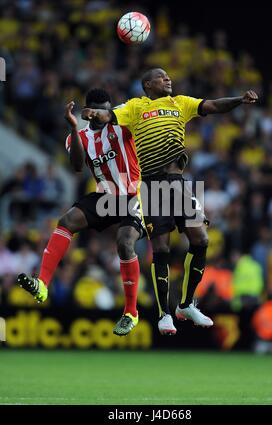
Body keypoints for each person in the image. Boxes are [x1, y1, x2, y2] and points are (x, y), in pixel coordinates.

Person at [81, 68, 259, 335]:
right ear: (147, 85)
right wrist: (95, 114)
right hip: (151, 184)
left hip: (179, 182)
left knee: (201, 239)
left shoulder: (181, 103)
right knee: (161, 249)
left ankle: (186, 304)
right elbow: (110, 116)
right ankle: (165, 314)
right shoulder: (136, 106)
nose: (168, 79)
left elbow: (211, 105)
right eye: (161, 77)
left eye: (168, 77)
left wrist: (239, 99)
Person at [18, 88, 145, 336]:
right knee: (67, 220)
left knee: (125, 243)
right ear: (88, 112)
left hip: (132, 194)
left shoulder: (123, 127)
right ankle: (42, 284)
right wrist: (74, 128)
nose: (105, 114)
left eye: (108, 109)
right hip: (105, 196)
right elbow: (77, 166)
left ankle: (131, 312)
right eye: (99, 110)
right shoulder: (79, 135)